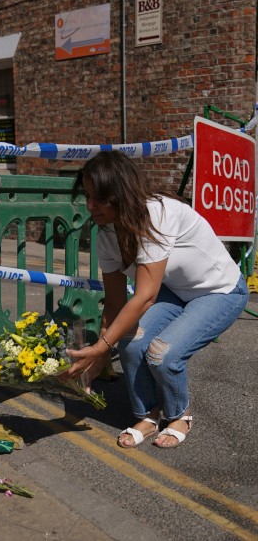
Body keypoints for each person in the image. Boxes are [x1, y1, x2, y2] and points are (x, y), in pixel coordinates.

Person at [63, 151, 248, 449]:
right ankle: (148, 414)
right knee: (130, 342)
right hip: (175, 290)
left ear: (120, 192)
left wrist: (100, 348)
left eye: (99, 197)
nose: (90, 205)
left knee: (163, 355)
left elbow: (146, 295)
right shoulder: (106, 234)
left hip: (218, 291)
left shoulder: (156, 214)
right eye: (87, 196)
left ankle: (179, 415)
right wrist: (101, 349)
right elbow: (113, 302)